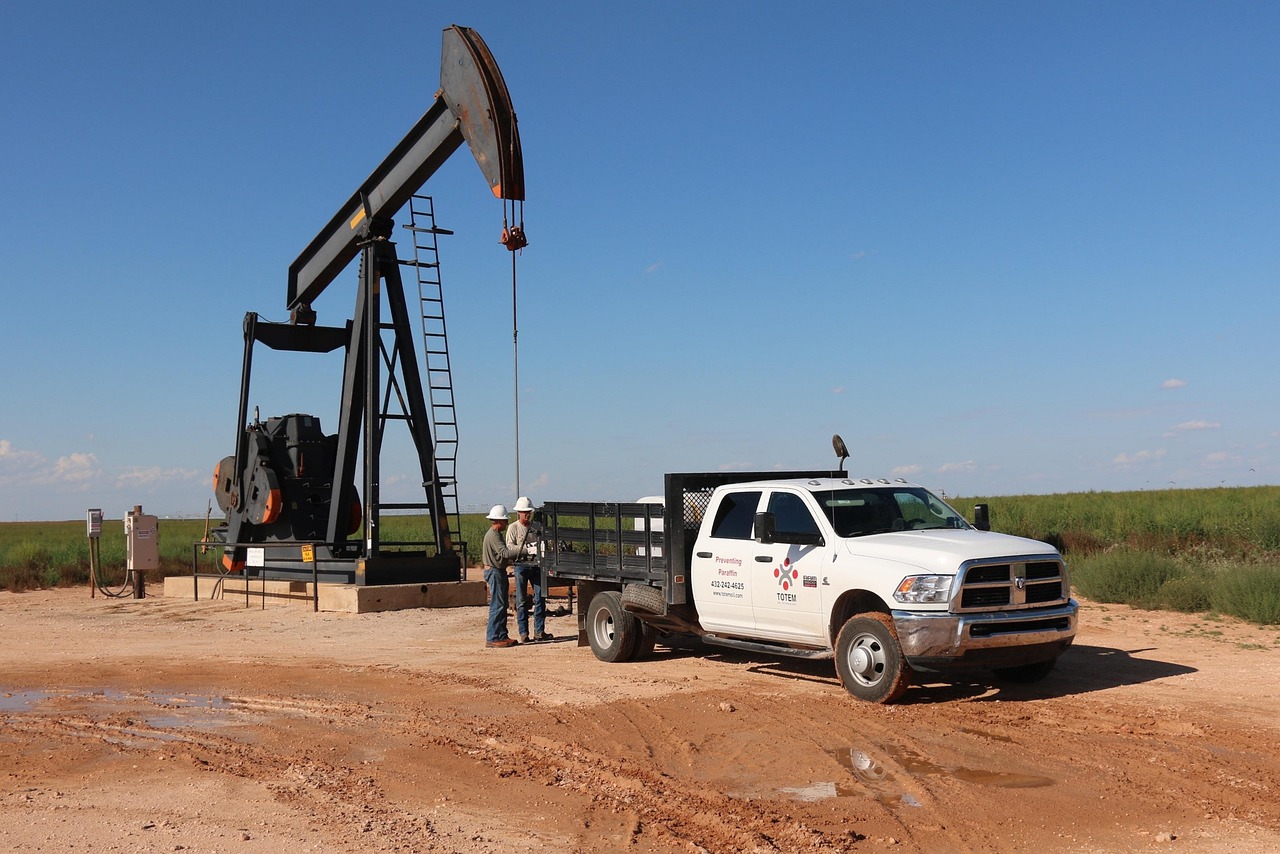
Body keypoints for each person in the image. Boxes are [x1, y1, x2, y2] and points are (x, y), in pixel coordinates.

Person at [506, 496, 552, 643]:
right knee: (521, 600)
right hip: (521, 566)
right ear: (519, 512)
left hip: (536, 566)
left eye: (528, 512)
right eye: (524, 512)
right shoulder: (513, 528)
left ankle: (539, 631)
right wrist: (527, 550)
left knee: (540, 598)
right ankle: (524, 633)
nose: (527, 515)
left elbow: (545, 541)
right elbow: (510, 548)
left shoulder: (536, 527)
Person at [481, 504, 521, 648]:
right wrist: (523, 550)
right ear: (499, 521)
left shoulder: (495, 534)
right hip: (495, 572)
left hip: (498, 571)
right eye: (505, 520)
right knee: (497, 605)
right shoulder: (493, 536)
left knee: (502, 604)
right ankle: (493, 637)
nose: (506, 523)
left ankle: (501, 635)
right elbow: (504, 553)